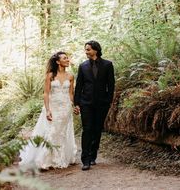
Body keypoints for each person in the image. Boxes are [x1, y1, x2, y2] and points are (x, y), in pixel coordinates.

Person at [19, 51, 77, 170]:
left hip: (66, 108)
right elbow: (46, 94)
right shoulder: (50, 75)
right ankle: (46, 159)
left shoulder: (70, 76)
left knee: (62, 132)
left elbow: (71, 94)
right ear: (57, 61)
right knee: (51, 131)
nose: (67, 60)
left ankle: (60, 158)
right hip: (53, 107)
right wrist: (47, 109)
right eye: (65, 58)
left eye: (67, 58)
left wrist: (75, 105)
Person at [74, 41, 115, 171]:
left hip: (102, 104)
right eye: (85, 50)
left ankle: (93, 156)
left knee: (97, 130)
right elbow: (79, 86)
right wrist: (77, 103)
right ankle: (85, 160)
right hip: (86, 103)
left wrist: (108, 101)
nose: (86, 52)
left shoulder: (108, 65)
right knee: (87, 130)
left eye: (88, 50)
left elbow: (111, 85)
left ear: (95, 50)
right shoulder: (83, 66)